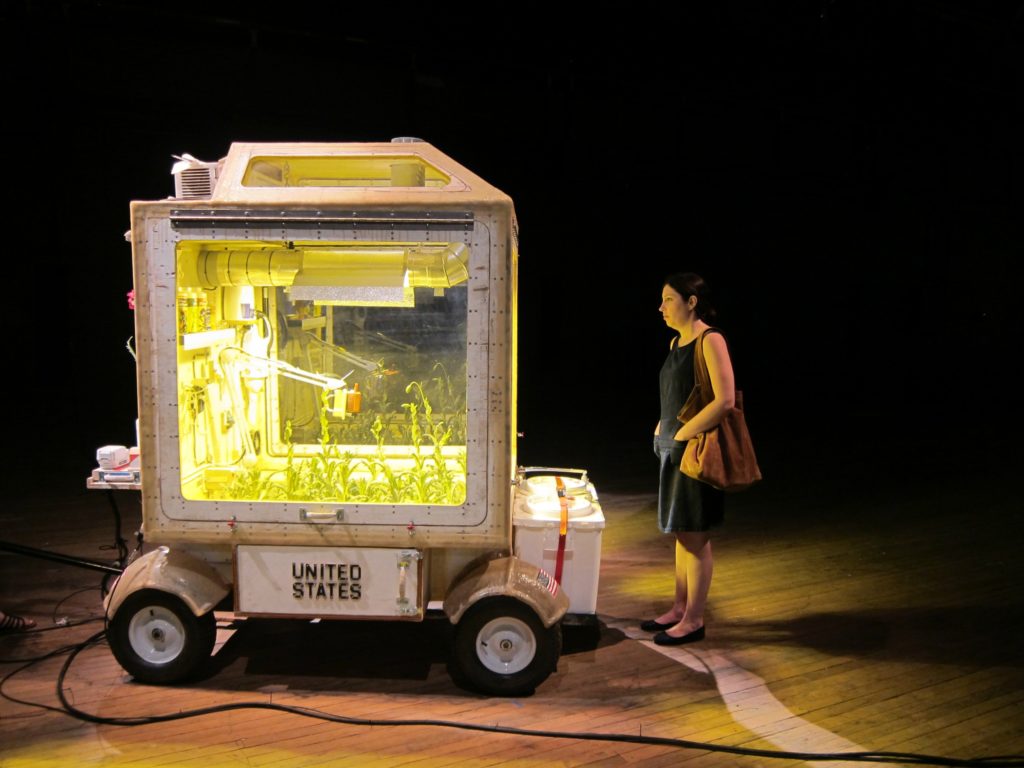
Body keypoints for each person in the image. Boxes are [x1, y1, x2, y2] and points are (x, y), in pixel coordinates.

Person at [645, 272, 735, 646]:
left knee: (695, 534)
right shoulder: (675, 343)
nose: (661, 307)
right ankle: (680, 608)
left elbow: (724, 400)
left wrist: (682, 433)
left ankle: (694, 620)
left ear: (691, 301)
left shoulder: (710, 339)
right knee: (681, 531)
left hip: (694, 451)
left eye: (669, 299)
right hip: (672, 449)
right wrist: (660, 430)